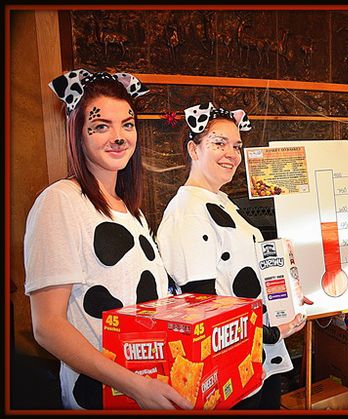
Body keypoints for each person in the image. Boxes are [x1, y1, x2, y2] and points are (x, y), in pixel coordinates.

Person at [24, 69, 193, 410]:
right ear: (78, 133)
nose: (118, 137)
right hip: (101, 396)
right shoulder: (60, 201)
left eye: (127, 124)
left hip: (150, 385)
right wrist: (134, 385)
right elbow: (48, 326)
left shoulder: (133, 212)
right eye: (101, 126)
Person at [156, 102, 313, 410]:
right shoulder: (188, 212)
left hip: (253, 359)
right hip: (229, 368)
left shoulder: (221, 200)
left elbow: (238, 273)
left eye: (237, 146)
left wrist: (284, 296)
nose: (231, 154)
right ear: (193, 148)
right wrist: (270, 333)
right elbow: (200, 305)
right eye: (219, 143)